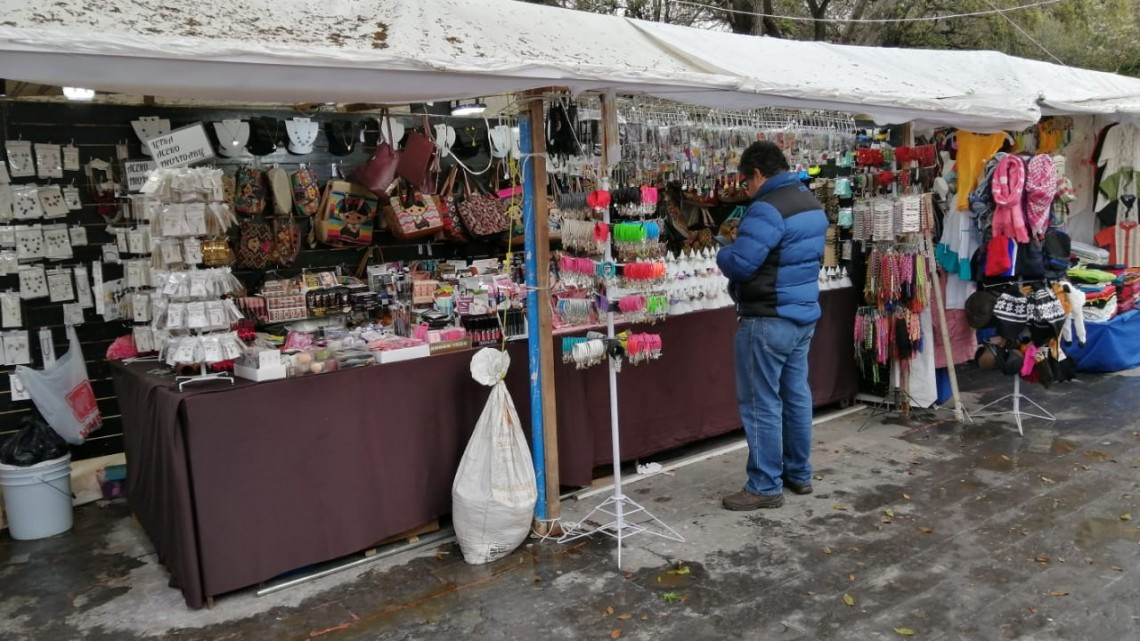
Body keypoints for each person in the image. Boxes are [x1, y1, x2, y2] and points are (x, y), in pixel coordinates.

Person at [717, 141, 828, 511]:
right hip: (801, 315)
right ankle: (799, 472)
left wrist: (723, 250)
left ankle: (764, 485)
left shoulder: (766, 208)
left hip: (767, 317)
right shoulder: (809, 202)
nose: (745, 189)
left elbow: (742, 265)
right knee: (795, 395)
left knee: (762, 402)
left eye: (745, 182)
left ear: (759, 174)